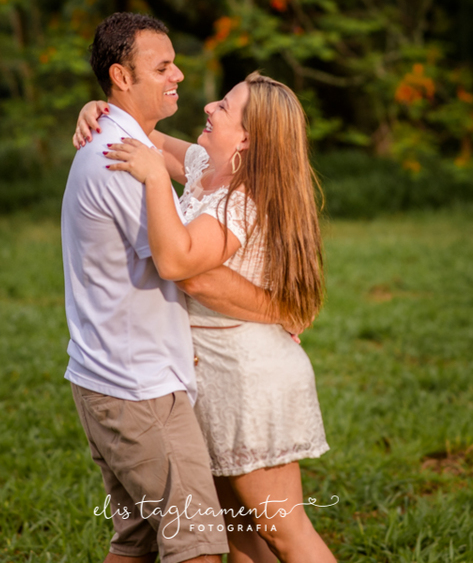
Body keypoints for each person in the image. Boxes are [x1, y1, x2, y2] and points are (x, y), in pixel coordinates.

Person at [76, 72, 336, 563]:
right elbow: (139, 132)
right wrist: (97, 108)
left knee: (285, 530)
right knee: (237, 532)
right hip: (211, 375)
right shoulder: (203, 168)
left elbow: (182, 266)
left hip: (247, 379)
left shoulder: (241, 200)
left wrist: (155, 177)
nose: (209, 107)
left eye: (225, 106)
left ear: (246, 139)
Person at [62, 12, 286, 563]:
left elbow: (179, 157)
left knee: (138, 541)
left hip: (117, 377)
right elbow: (182, 265)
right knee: (200, 548)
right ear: (121, 75)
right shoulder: (125, 163)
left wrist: (104, 111)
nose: (180, 76)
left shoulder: (134, 147)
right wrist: (283, 311)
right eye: (162, 66)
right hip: (137, 387)